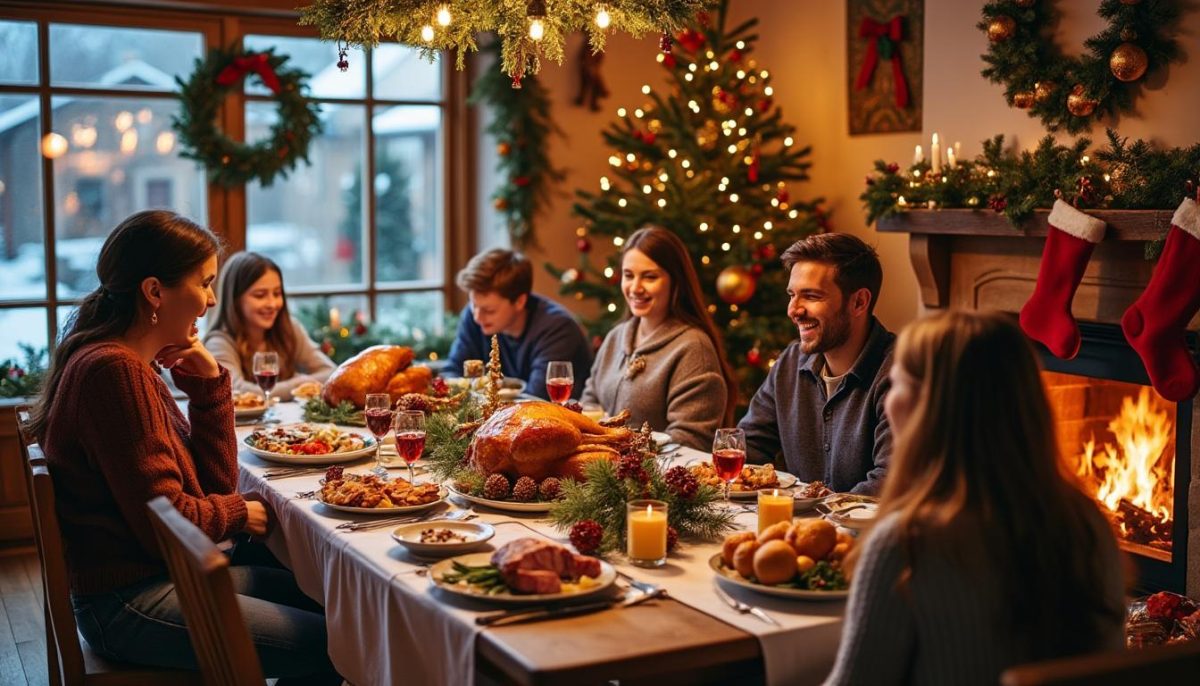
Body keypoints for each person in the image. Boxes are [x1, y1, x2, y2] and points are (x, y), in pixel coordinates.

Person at [27, 211, 338, 682]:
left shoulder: (131, 364)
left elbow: (207, 485)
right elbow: (167, 527)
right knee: (331, 644)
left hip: (156, 575)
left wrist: (211, 385)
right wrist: (238, 512)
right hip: (128, 601)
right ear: (154, 292)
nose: (212, 299)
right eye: (205, 283)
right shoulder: (114, 373)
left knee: (322, 595)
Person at [824, 310, 1125, 685]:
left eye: (896, 385)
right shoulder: (1087, 524)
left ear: (927, 409)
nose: (887, 403)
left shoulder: (906, 545)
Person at [738, 233, 893, 494]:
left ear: (859, 302)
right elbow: (749, 445)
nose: (794, 310)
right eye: (792, 295)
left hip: (867, 533)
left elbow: (888, 482)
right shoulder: (791, 361)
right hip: (796, 525)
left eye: (811, 296)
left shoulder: (903, 373)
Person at [581, 226, 736, 450]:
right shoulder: (616, 336)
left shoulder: (694, 348)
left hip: (655, 479)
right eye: (628, 275)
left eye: (649, 277)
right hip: (602, 469)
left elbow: (690, 440)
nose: (635, 288)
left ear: (675, 282)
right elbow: (589, 402)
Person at [447, 248, 592, 400]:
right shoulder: (474, 317)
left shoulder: (558, 329)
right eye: (473, 305)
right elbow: (452, 373)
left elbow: (536, 400)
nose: (477, 317)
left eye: (489, 310)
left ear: (519, 301)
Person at [204, 251, 336, 401]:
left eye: (277, 293)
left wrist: (297, 384)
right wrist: (299, 383)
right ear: (235, 299)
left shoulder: (290, 328)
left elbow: (331, 373)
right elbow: (234, 391)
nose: (272, 304)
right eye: (260, 295)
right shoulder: (219, 342)